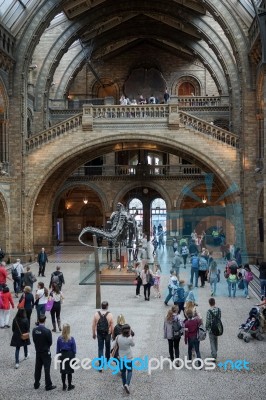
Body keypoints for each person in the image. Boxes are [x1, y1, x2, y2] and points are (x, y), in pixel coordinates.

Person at [32, 314, 56, 391]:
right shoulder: (47, 331)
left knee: (37, 368)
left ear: (38, 320)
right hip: (45, 351)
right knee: (47, 368)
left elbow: (34, 340)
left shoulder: (34, 330)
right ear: (45, 320)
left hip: (38, 351)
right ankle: (48, 385)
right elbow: (50, 342)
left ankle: (36, 383)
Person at [92, 300, 114, 370]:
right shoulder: (110, 315)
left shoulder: (96, 314)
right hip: (108, 333)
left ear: (101, 306)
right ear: (107, 306)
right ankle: (107, 361)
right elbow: (112, 326)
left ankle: (101, 364)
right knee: (108, 347)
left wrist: (94, 333)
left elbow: (93, 325)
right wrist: (113, 334)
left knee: (100, 348)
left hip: (99, 333)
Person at [56, 323, 76, 391]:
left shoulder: (59, 338)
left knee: (63, 371)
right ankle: (70, 385)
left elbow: (58, 348)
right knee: (69, 371)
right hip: (70, 355)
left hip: (62, 355)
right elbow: (74, 349)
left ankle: (64, 385)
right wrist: (74, 357)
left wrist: (58, 355)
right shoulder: (71, 338)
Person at [117, 324, 135, 394]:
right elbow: (133, 345)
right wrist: (131, 337)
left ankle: (124, 384)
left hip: (121, 356)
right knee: (130, 371)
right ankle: (127, 384)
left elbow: (115, 344)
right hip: (128, 357)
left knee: (123, 371)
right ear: (128, 331)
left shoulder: (118, 337)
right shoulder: (129, 338)